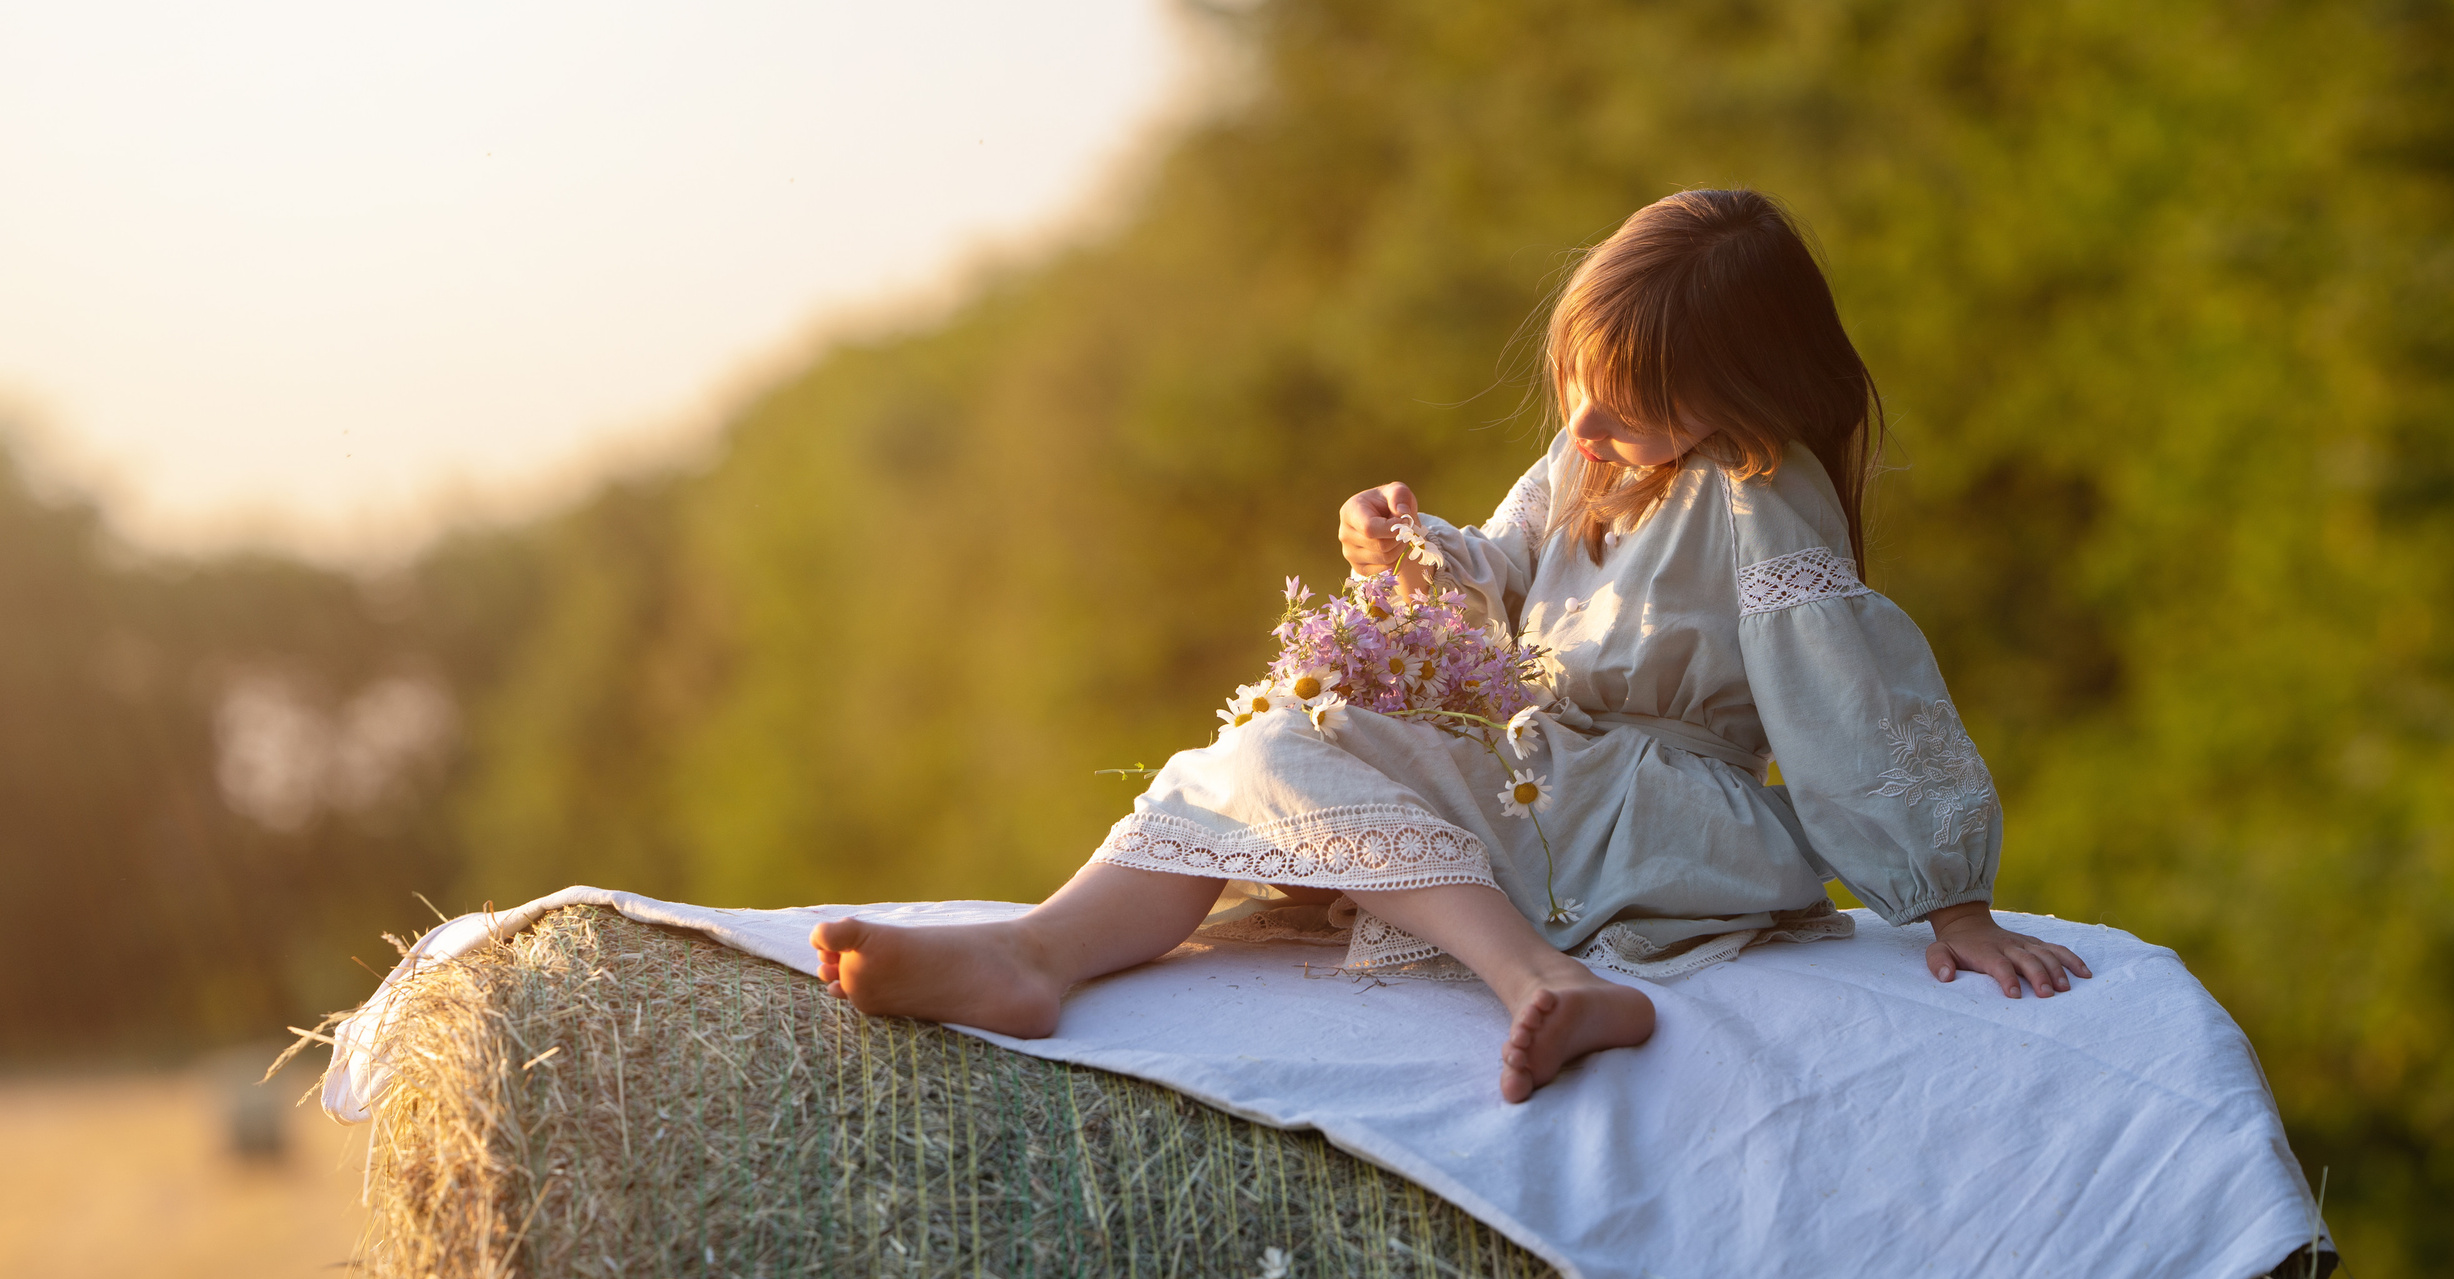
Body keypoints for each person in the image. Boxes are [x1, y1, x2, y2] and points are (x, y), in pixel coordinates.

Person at [812, 188, 2088, 1102]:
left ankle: (1539, 979)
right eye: (1577, 389)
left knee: (1290, 754)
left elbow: (1844, 691)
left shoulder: (1761, 491)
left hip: (1651, 812)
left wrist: (1948, 897)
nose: (1586, 426)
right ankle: (1036, 954)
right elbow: (1501, 580)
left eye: (1627, 406)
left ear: (1743, 390)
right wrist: (1414, 549)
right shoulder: (1592, 461)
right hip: (1553, 775)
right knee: (1270, 741)